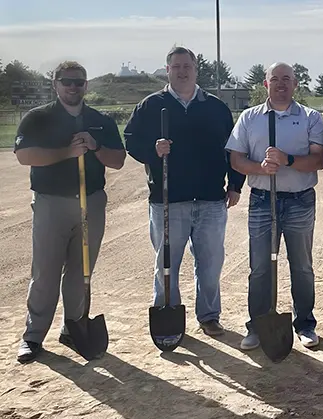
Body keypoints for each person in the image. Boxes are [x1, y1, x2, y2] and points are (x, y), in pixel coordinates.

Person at [124, 46, 245, 337]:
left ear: (195, 69)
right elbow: (130, 140)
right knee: (166, 264)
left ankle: (209, 316)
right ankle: (168, 314)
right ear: (168, 70)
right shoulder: (151, 105)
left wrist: (236, 185)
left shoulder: (215, 107)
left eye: (187, 66)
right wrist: (152, 151)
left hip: (211, 199)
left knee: (211, 263)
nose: (182, 71)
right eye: (176, 66)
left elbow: (234, 148)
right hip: (168, 200)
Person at [13, 61, 126, 363]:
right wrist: (67, 152)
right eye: (67, 82)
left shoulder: (101, 120)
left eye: (78, 82)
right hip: (53, 203)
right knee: (46, 272)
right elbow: (25, 156)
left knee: (81, 272)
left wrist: (95, 146)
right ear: (56, 85)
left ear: (86, 85)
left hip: (92, 201)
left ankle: (73, 328)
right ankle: (33, 336)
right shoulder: (39, 118)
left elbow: (117, 160)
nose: (73, 87)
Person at [226, 62, 323, 350]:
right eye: (275, 79)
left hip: (299, 201)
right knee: (260, 267)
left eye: (287, 79)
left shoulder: (310, 117)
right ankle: (257, 325)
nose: (281, 83)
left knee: (302, 266)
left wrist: (287, 160)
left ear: (296, 83)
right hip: (261, 201)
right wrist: (260, 168)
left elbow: (318, 160)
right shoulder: (249, 117)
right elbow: (236, 160)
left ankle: (305, 323)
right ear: (265, 83)